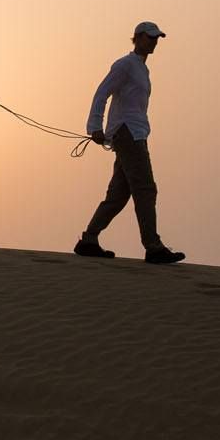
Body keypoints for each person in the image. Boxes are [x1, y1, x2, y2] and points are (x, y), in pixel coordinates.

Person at [74, 22, 186, 265]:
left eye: (156, 38)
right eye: (149, 37)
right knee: (146, 189)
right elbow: (101, 93)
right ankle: (153, 246)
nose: (154, 41)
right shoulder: (125, 65)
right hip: (128, 134)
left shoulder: (142, 70)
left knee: (118, 194)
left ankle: (89, 240)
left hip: (136, 134)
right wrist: (95, 126)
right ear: (136, 38)